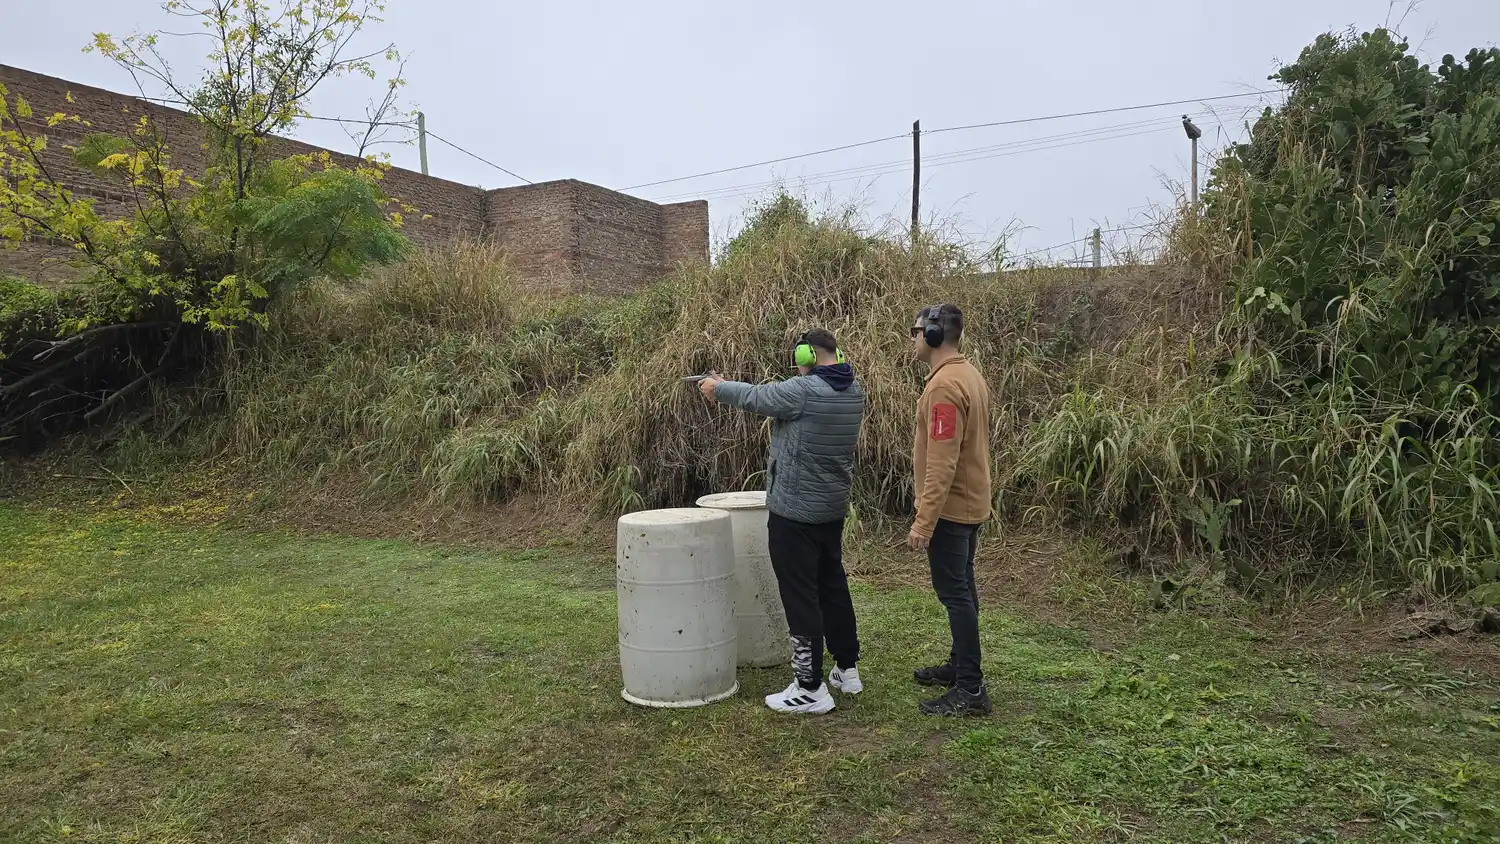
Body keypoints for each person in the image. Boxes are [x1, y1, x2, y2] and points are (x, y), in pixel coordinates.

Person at [699, 328, 865, 715]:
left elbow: (758, 396)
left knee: (800, 594)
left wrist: (717, 388)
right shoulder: (853, 390)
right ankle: (847, 668)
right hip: (830, 509)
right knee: (832, 585)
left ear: (807, 355)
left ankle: (810, 688)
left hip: (794, 512)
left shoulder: (804, 390)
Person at [906, 303, 993, 716]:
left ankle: (971, 689)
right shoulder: (967, 374)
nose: (913, 337)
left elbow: (942, 461)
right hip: (968, 504)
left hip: (951, 511)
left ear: (934, 335)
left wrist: (925, 521)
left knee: (955, 594)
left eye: (916, 330)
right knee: (964, 587)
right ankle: (961, 667)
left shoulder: (944, 387)